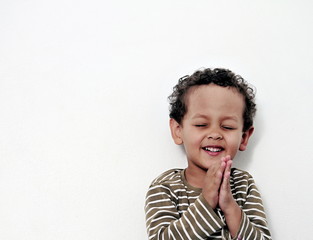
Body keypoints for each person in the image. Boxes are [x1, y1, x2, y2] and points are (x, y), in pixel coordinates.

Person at [144, 68, 271, 239]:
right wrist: (206, 201)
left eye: (227, 127)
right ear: (178, 130)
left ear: (244, 137)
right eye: (201, 124)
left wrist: (230, 207)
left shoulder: (243, 185)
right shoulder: (165, 188)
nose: (215, 134)